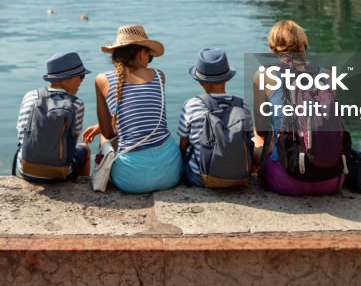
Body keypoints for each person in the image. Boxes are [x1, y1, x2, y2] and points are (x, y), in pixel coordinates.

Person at [83, 24, 181, 194]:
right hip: (171, 173)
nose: (150, 61)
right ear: (142, 54)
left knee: (103, 139)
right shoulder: (159, 76)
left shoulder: (102, 80)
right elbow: (142, 113)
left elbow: (108, 132)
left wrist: (101, 128)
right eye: (150, 57)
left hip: (131, 180)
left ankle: (99, 176)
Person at [253, 20, 346, 196]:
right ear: (304, 45)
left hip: (288, 180)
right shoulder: (328, 76)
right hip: (332, 180)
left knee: (256, 138)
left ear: (273, 48)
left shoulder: (263, 76)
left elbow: (261, 129)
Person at [178, 48, 254, 188]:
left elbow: (183, 143)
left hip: (201, 177)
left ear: (200, 81)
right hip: (241, 175)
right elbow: (249, 140)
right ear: (227, 78)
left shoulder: (191, 105)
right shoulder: (243, 106)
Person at [13, 52, 93, 183]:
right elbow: (71, 144)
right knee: (85, 148)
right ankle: (81, 187)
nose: (82, 81)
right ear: (68, 78)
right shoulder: (76, 104)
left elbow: (22, 135)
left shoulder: (30, 96)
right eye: (81, 76)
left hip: (25, 169)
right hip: (59, 173)